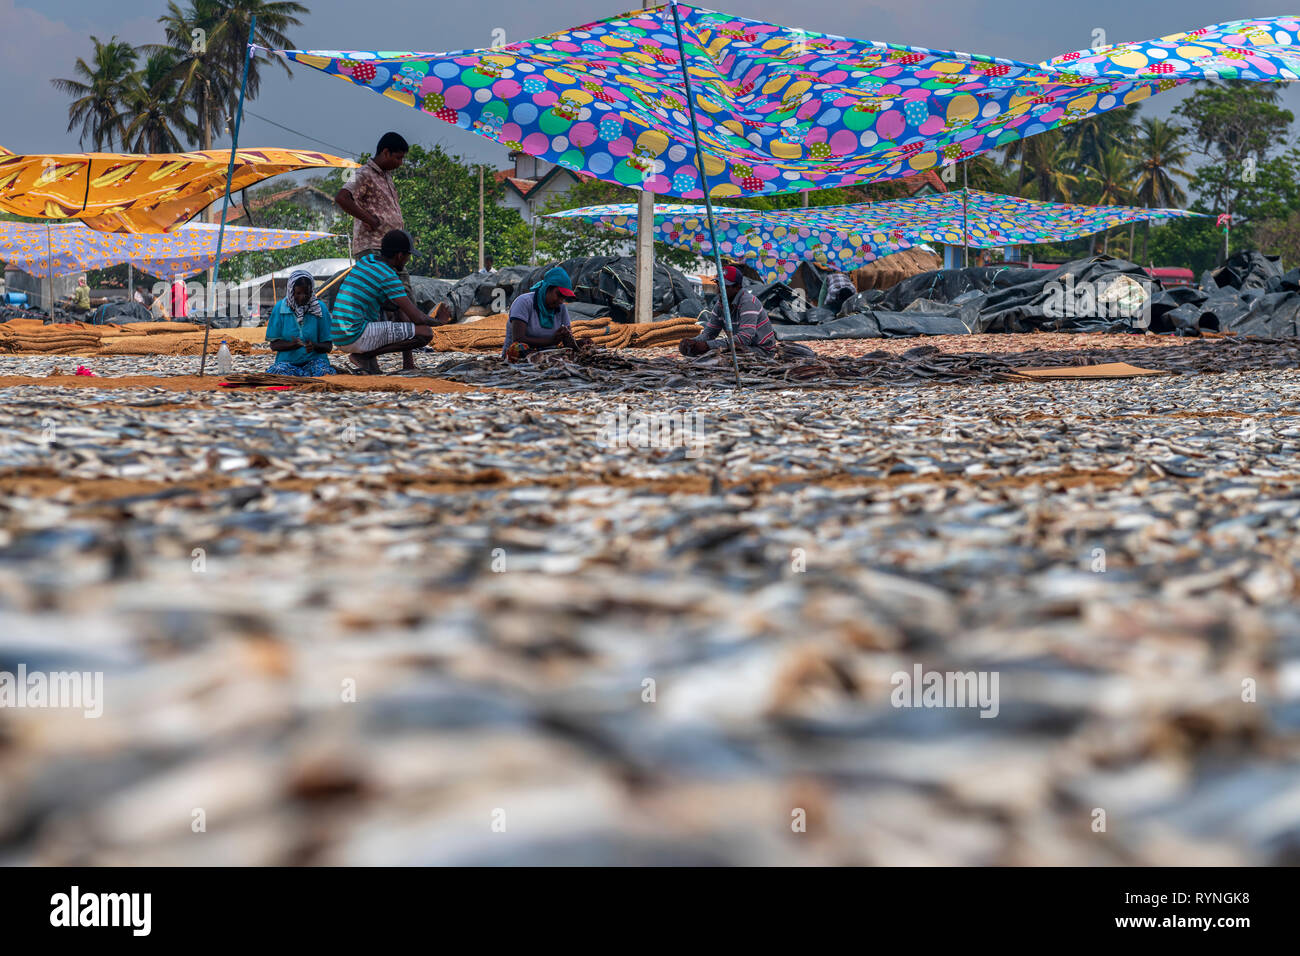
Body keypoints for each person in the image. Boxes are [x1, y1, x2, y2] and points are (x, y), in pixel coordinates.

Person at [331, 230, 443, 374]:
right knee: (425, 333)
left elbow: (396, 307)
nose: (408, 259)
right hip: (354, 335)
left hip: (339, 335)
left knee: (399, 307)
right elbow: (417, 317)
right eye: (408, 255)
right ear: (400, 256)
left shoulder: (367, 261)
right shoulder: (388, 276)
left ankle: (405, 364)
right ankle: (365, 356)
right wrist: (439, 320)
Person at [335, 132, 413, 312]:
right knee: (384, 299)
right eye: (398, 158)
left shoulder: (387, 176)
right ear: (386, 152)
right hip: (373, 247)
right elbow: (342, 197)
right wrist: (369, 219)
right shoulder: (362, 173)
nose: (400, 163)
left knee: (401, 296)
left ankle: (409, 334)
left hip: (390, 249)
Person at [680, 265, 776, 356]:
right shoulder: (720, 305)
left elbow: (744, 338)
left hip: (761, 350)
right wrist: (693, 342)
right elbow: (709, 332)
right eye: (718, 284)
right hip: (741, 347)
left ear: (737, 287)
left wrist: (707, 345)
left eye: (725, 286)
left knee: (717, 356)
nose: (720, 290)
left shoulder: (748, 302)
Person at [502, 266, 583, 361]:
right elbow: (519, 338)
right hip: (520, 355)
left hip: (548, 354)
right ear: (547, 288)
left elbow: (568, 343)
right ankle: (544, 359)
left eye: (563, 297)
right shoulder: (524, 302)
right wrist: (551, 341)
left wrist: (576, 342)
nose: (561, 301)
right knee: (519, 346)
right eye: (559, 295)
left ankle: (546, 359)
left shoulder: (561, 308)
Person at [266, 269, 335, 377]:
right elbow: (274, 345)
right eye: (298, 293)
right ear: (291, 291)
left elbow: (328, 346)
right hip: (288, 363)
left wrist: (314, 346)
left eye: (306, 293)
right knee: (279, 372)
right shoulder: (280, 308)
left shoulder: (320, 309)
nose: (302, 297)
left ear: (311, 291)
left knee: (322, 372)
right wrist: (291, 345)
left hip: (315, 362)